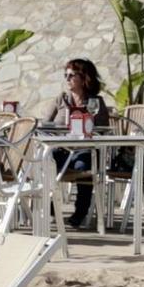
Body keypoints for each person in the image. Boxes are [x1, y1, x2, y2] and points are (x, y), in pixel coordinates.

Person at [45, 58, 109, 229]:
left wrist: (89, 127)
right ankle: (49, 208)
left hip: (84, 149)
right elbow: (45, 124)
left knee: (84, 165)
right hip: (61, 149)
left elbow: (103, 129)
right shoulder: (60, 99)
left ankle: (80, 213)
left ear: (83, 77)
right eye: (65, 75)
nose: (67, 78)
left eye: (71, 75)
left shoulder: (95, 102)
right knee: (46, 161)